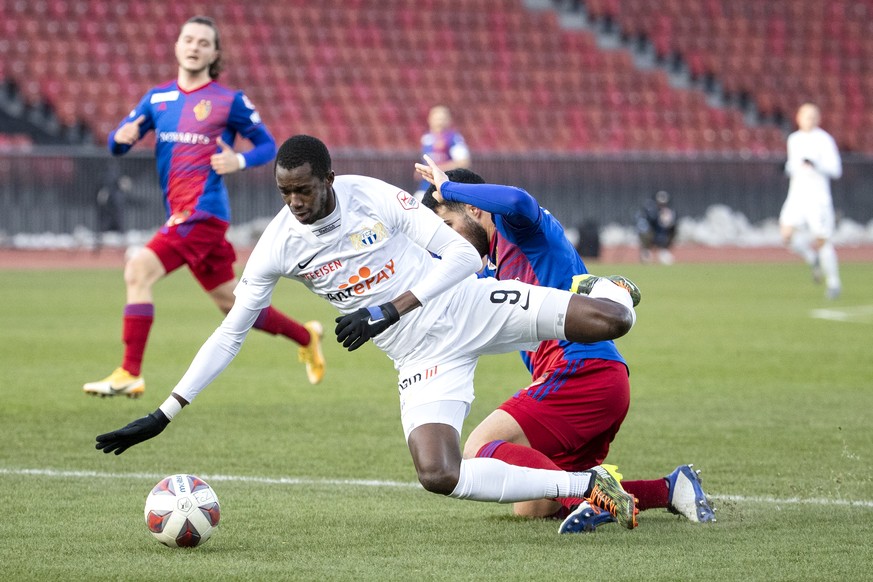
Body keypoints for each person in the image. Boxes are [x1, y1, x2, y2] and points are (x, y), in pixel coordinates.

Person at [96, 135, 642, 529]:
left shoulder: (372, 196)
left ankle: (613, 285)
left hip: (468, 305)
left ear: (327, 180)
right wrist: (166, 411)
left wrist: (390, 308)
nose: (295, 204)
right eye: (285, 193)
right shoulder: (279, 245)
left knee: (611, 318)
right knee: (438, 473)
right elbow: (231, 333)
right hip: (421, 360)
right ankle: (587, 486)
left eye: (304, 191)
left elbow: (459, 254)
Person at [420, 168, 715, 531]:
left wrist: (447, 186)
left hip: (580, 371)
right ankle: (669, 490)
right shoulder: (491, 268)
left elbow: (516, 199)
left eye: (449, 225)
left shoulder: (520, 230)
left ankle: (588, 496)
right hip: (602, 382)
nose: (450, 241)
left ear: (475, 209)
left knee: (479, 447)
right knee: (533, 505)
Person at [83, 17, 325, 398]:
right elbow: (117, 143)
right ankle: (306, 336)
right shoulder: (157, 99)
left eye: (203, 42)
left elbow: (266, 145)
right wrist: (120, 138)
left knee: (137, 270)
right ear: (177, 46)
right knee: (232, 304)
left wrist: (239, 162)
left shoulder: (230, 101)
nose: (194, 46)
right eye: (188, 39)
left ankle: (129, 371)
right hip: (182, 213)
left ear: (214, 54)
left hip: (203, 213)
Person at [780, 103, 843, 300]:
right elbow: (793, 165)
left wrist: (816, 165)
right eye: (806, 116)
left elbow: (836, 170)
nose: (809, 120)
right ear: (798, 118)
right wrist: (787, 168)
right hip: (797, 195)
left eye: (813, 116)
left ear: (818, 118)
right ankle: (811, 257)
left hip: (818, 198)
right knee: (786, 235)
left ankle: (833, 283)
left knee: (822, 239)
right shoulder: (794, 139)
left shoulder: (824, 140)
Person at [413, 105, 471, 199]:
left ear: (449, 120)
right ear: (429, 119)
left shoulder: (454, 139)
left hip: (445, 188)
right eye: (436, 118)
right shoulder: (426, 138)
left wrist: (436, 169)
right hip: (425, 187)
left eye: (442, 118)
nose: (439, 121)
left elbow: (463, 162)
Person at [636, 190, 677, 265]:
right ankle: (646, 252)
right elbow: (645, 223)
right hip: (651, 233)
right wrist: (658, 215)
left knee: (673, 230)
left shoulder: (669, 212)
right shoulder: (650, 210)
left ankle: (663, 251)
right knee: (645, 232)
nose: (662, 206)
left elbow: (669, 225)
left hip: (662, 234)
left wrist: (668, 220)